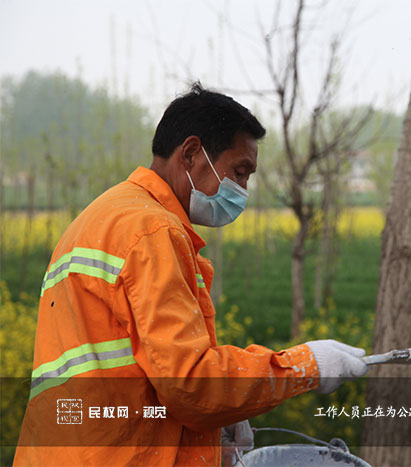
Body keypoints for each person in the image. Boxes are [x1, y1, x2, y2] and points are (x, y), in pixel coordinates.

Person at [13, 83, 368, 466]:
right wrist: (303, 365)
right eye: (239, 171)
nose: (243, 190)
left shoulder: (108, 213)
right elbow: (191, 384)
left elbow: (151, 376)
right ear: (192, 153)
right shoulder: (152, 231)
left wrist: (212, 427)